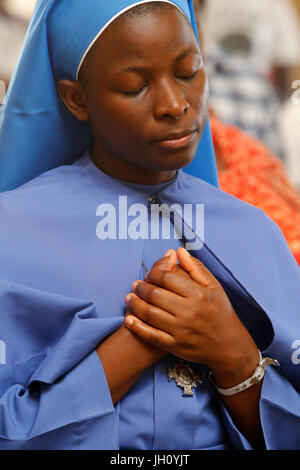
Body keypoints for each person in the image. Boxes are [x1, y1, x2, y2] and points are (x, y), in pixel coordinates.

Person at [0, 0, 299, 451]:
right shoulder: (14, 231)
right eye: (134, 86)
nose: (175, 105)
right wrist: (139, 341)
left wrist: (234, 352)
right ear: (76, 99)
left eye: (187, 72)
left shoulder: (253, 231)